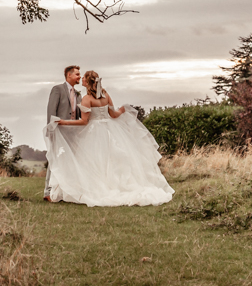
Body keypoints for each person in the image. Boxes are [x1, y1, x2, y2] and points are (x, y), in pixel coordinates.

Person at [43, 70, 174, 207]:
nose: (81, 79)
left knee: (94, 161)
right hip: (109, 131)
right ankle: (114, 186)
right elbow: (114, 114)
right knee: (111, 160)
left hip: (94, 133)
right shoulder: (106, 95)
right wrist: (122, 110)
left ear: (87, 82)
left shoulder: (87, 99)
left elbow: (84, 121)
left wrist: (64, 122)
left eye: (83, 79)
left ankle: (97, 189)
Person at [44, 65, 82, 201]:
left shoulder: (78, 94)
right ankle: (48, 192)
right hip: (58, 131)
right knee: (54, 159)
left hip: (72, 133)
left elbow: (80, 114)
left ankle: (64, 191)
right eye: (77, 74)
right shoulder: (57, 89)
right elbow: (51, 110)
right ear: (69, 75)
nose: (79, 77)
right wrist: (51, 130)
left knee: (69, 161)